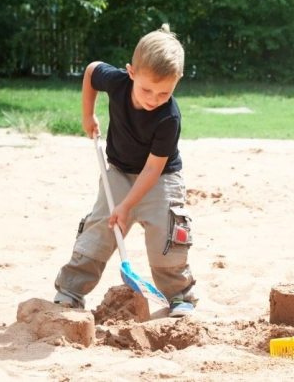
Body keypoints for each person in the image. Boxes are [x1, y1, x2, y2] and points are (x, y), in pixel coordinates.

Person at [53, 23, 197, 317]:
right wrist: (87, 115)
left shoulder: (169, 118)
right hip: (118, 172)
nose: (154, 98)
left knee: (165, 237)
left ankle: (179, 296)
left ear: (177, 82)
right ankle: (70, 291)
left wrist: (128, 204)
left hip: (160, 178)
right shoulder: (117, 82)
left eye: (164, 92)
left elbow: (154, 168)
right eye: (147, 89)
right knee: (100, 228)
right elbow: (92, 70)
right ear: (131, 72)